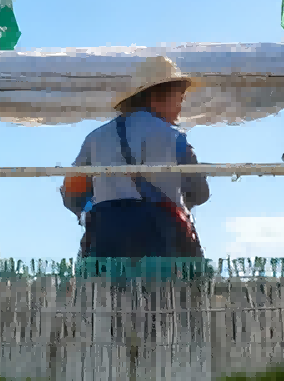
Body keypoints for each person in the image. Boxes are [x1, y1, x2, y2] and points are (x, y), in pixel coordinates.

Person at [60, 55, 210, 258]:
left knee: (105, 289)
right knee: (172, 287)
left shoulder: (95, 138)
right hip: (162, 242)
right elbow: (200, 191)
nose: (180, 108)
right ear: (157, 97)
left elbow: (71, 193)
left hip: (106, 241)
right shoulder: (175, 137)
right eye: (179, 99)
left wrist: (91, 207)